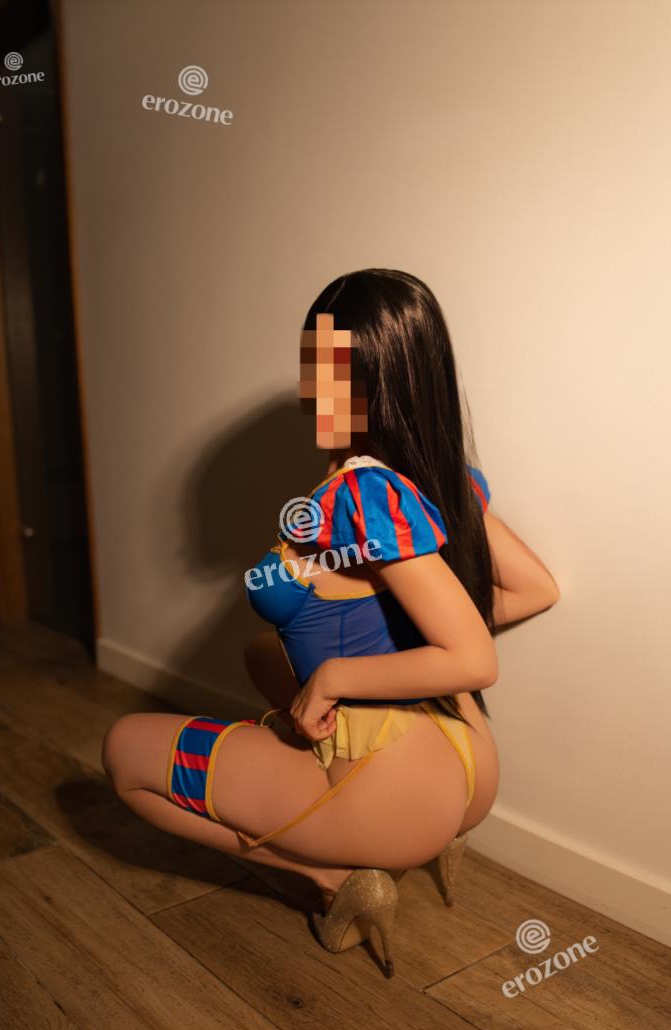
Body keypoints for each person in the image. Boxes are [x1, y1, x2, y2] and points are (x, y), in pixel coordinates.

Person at [102, 268, 561, 979]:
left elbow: (475, 658)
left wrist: (339, 677)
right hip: (469, 760)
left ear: (393, 380)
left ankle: (335, 877)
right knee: (264, 654)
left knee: (125, 754)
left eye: (342, 375)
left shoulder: (362, 495)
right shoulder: (436, 475)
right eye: (312, 366)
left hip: (393, 783)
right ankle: (389, 827)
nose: (312, 391)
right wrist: (405, 646)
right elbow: (536, 589)